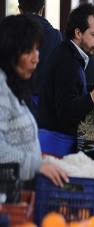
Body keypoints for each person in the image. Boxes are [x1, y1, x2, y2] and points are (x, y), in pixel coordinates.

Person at [0, 14, 68, 186]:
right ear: (9, 52)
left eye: (37, 49)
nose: (36, 58)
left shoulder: (13, 86)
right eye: (28, 51)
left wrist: (38, 157)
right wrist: (36, 164)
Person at [37, 3, 94, 157]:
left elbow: (71, 88)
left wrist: (93, 88)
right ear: (78, 33)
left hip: (55, 141)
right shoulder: (67, 62)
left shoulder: (67, 53)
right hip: (55, 145)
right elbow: (67, 113)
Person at [18, 0, 62, 119]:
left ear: (20, 9)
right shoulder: (55, 35)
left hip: (16, 100)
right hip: (44, 104)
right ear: (42, 9)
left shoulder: (10, 33)